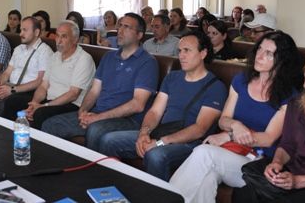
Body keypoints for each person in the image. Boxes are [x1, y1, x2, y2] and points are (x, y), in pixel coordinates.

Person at [170, 31, 304, 203]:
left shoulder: (289, 95)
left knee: (204, 153)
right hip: (230, 152)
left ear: (283, 60)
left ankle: (164, 199)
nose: (259, 56)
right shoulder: (241, 81)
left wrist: (228, 134)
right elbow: (223, 119)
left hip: (259, 162)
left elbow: (268, 139)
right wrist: (235, 124)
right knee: (206, 179)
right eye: (259, 49)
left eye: (268, 53)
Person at [99, 32, 227, 181]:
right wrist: (144, 133)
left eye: (187, 50)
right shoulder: (172, 77)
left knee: (156, 155)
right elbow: (155, 111)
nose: (181, 56)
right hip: (162, 132)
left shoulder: (215, 87)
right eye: (179, 51)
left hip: (189, 143)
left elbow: (200, 129)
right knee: (108, 140)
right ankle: (113, 189)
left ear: (203, 53)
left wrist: (160, 143)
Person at [233, 49, 305, 203]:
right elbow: (287, 144)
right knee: (244, 194)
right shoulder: (296, 104)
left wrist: (298, 181)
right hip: (292, 173)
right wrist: (277, 163)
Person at [42, 13, 158, 151]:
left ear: (139, 35)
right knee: (50, 124)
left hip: (127, 120)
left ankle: (90, 171)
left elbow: (138, 105)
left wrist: (98, 118)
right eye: (120, 25)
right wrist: (83, 112)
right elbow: (94, 91)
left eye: (126, 27)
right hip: (98, 113)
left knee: (95, 130)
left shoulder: (147, 62)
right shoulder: (109, 57)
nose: (120, 30)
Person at [25, 21, 96, 129]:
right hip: (50, 101)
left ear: (75, 39)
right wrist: (34, 104)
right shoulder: (55, 56)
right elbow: (43, 86)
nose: (59, 40)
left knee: (40, 113)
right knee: (14, 101)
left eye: (64, 36)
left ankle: (36, 145)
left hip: (71, 104)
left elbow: (73, 94)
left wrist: (43, 106)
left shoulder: (84, 59)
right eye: (57, 36)